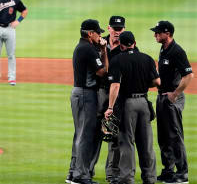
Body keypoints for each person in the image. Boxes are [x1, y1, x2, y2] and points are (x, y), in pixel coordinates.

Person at [104, 31, 160, 184]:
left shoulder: (117, 60)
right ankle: (150, 178)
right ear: (134, 43)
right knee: (146, 142)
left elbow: (115, 85)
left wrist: (110, 107)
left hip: (127, 104)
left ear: (121, 45)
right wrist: (142, 85)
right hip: (143, 103)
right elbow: (157, 82)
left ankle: (127, 179)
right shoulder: (147, 59)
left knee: (127, 142)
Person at [66, 19, 108, 184]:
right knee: (85, 136)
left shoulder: (82, 47)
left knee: (80, 134)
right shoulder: (88, 49)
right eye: (98, 33)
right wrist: (104, 50)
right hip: (86, 94)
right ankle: (81, 176)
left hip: (79, 93)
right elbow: (102, 72)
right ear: (90, 33)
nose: (100, 36)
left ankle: (73, 173)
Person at [150, 21, 193, 184]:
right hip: (162, 97)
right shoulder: (164, 48)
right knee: (164, 136)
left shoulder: (177, 51)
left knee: (175, 136)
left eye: (158, 32)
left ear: (167, 34)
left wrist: (175, 94)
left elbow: (189, 75)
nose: (155, 35)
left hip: (172, 99)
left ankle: (182, 173)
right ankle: (168, 170)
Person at [91, 16, 126, 184]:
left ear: (124, 30)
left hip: (117, 95)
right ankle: (88, 169)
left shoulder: (128, 45)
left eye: (120, 29)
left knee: (114, 133)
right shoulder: (98, 43)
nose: (117, 32)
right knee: (94, 132)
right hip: (100, 92)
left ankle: (112, 174)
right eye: (114, 28)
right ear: (109, 28)